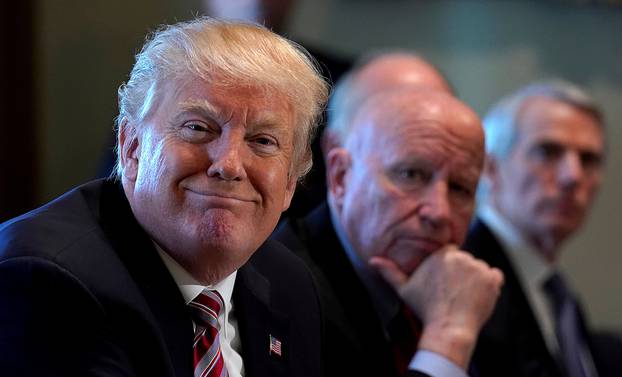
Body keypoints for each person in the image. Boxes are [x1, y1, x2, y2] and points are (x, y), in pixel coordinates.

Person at [0, 17, 328, 377]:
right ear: (132, 147)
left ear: (290, 182)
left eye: (263, 141)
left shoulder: (289, 282)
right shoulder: (47, 282)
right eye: (198, 128)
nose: (229, 165)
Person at [273, 87, 504, 377]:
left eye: (460, 188)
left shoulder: (462, 288)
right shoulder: (281, 294)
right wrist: (448, 339)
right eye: (410, 175)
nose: (439, 212)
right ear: (341, 176)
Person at [464, 79, 622, 377]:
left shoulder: (558, 294)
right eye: (547, 152)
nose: (573, 176)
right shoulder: (462, 279)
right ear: (491, 168)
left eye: (589, 159)